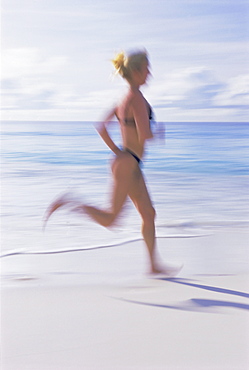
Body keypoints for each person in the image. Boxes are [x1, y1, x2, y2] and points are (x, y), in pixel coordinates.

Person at [44, 49, 180, 275]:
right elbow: (145, 135)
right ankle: (70, 202)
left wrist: (118, 151)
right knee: (111, 219)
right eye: (147, 68)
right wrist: (160, 134)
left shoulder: (124, 99)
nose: (150, 73)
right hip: (128, 164)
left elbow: (101, 127)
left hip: (129, 161)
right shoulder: (136, 99)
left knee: (148, 213)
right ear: (136, 72)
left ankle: (153, 265)